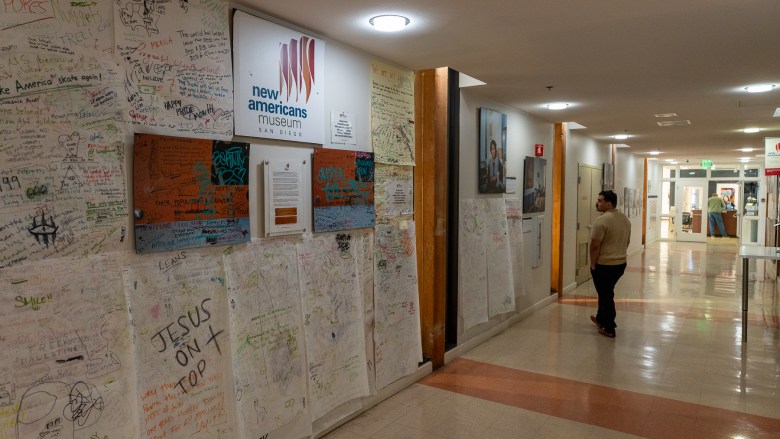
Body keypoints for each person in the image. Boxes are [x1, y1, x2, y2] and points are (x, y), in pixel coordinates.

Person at [589, 190, 631, 338]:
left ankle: (609, 327)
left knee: (606, 295)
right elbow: (627, 242)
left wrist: (593, 264)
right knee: (605, 292)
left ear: (609, 203)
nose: (597, 203)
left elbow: (595, 246)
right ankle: (600, 319)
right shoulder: (624, 219)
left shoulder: (601, 221)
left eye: (600, 200)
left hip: (604, 265)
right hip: (620, 264)